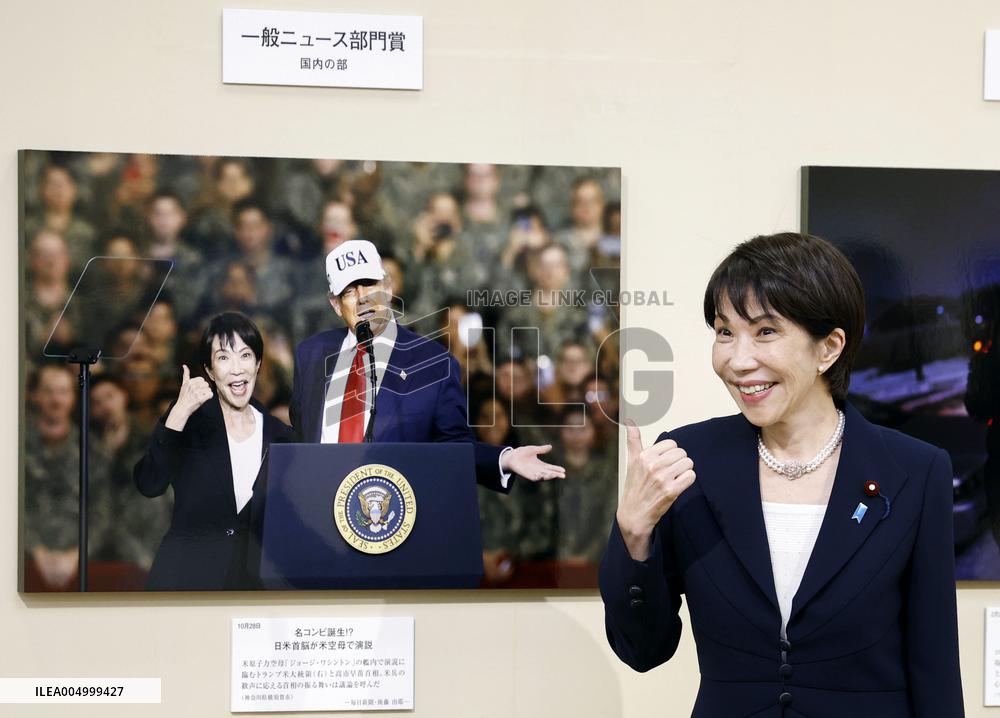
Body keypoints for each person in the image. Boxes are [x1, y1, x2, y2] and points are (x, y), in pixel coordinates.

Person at [600, 232, 963, 717]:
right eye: (724, 331)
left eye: (765, 331)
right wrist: (633, 538)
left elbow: (934, 668)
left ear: (829, 348)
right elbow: (643, 651)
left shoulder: (915, 472)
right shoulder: (687, 461)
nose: (737, 360)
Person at [289, 239, 565, 493]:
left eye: (369, 284)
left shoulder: (434, 362)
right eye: (349, 291)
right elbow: (301, 438)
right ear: (336, 305)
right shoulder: (311, 355)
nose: (362, 297)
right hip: (321, 516)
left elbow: (453, 445)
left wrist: (503, 458)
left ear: (387, 288)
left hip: (395, 522)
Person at [133, 312, 296, 590]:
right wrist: (179, 412)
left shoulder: (281, 437)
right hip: (186, 581)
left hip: (252, 590)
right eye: (223, 358)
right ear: (209, 370)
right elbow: (150, 483)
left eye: (245, 356)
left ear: (258, 364)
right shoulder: (190, 421)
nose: (236, 369)